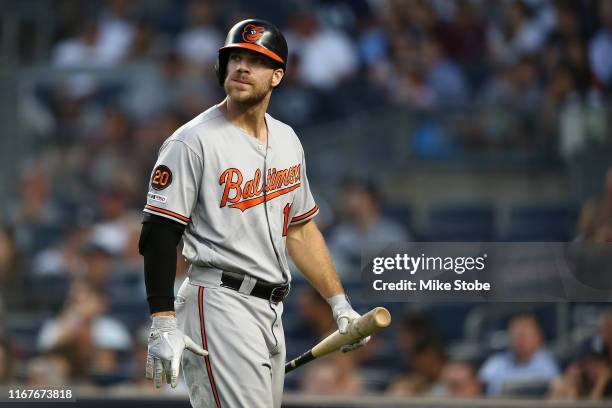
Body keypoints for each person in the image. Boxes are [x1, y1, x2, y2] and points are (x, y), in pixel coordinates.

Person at [138, 19, 368, 407]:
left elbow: (299, 230)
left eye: (256, 61)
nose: (242, 67)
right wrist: (162, 319)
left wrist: (338, 302)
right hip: (219, 301)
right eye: (235, 58)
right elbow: (158, 234)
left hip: (271, 310)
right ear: (221, 69)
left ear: (277, 76)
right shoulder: (191, 142)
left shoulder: (287, 139)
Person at [479, 314, 559, 396]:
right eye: (516, 335)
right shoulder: (496, 363)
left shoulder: (547, 364)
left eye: (524, 336)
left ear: (538, 337)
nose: (519, 341)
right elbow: (478, 389)